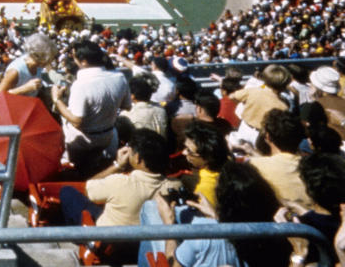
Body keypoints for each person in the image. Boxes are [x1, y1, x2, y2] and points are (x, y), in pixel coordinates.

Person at [141, 159, 289, 267]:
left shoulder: (204, 231)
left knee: (150, 207)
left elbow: (171, 265)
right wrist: (216, 216)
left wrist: (169, 225)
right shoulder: (277, 233)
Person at [59, 129, 169, 263]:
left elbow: (88, 187)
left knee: (67, 192)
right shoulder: (173, 186)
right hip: (140, 248)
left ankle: (78, 238)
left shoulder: (120, 182)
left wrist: (117, 165)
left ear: (138, 158)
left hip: (107, 246)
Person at [52, 40, 131, 176]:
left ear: (83, 61)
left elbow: (77, 121)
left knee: (79, 171)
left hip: (82, 140)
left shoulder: (81, 84)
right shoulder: (120, 77)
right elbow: (126, 106)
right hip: (107, 136)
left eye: (74, 57)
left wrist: (57, 100)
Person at [0, 33, 55, 98]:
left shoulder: (38, 66)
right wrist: (24, 89)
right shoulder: (15, 71)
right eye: (49, 59)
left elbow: (50, 69)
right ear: (39, 57)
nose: (50, 61)